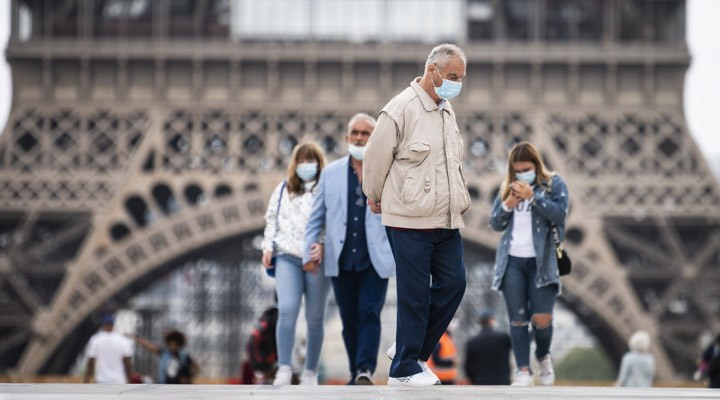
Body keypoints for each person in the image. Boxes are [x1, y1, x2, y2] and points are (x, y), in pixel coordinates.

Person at [363, 43, 470, 386]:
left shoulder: (446, 110)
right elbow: (376, 157)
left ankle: (410, 349)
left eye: (461, 78)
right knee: (415, 292)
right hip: (409, 217)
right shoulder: (400, 108)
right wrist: (375, 195)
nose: (457, 84)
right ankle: (404, 369)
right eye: (452, 76)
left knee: (455, 284)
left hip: (446, 218)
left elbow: (453, 163)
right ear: (432, 70)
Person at [304, 113, 396, 385]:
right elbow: (316, 217)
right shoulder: (330, 174)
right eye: (354, 133)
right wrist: (309, 249)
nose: (359, 138)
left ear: (374, 138)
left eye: (365, 133)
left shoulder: (388, 171)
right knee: (349, 319)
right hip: (340, 257)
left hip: (374, 257)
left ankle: (365, 368)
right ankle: (357, 371)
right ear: (347, 137)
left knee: (370, 311)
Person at [489, 141, 569, 386]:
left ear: (536, 165)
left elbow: (559, 213)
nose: (523, 172)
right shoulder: (507, 188)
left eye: (527, 168)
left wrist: (532, 197)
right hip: (512, 260)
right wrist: (508, 205)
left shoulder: (553, 184)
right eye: (518, 169)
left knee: (542, 319)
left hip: (542, 262)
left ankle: (543, 356)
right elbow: (495, 223)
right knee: (518, 319)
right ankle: (523, 370)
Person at [261, 142, 331, 385]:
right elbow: (271, 219)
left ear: (319, 163)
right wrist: (268, 246)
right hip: (287, 255)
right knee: (287, 309)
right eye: (301, 160)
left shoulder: (328, 188)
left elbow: (335, 221)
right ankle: (284, 368)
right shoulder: (283, 189)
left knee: (315, 316)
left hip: (316, 259)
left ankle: (310, 371)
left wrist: (323, 246)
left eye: (310, 160)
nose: (306, 165)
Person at [132, 330, 199, 384]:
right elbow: (150, 346)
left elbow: (196, 368)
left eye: (175, 344)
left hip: (179, 386)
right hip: (165, 383)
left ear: (179, 345)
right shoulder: (164, 354)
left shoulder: (185, 357)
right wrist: (137, 339)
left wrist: (189, 377)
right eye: (171, 344)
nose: (172, 347)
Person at [464, 311, 512, 385]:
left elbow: (468, 366)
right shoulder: (503, 338)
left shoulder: (472, 342)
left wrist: (474, 380)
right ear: (491, 320)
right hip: (502, 381)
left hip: (481, 381)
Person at [84, 314, 134, 384]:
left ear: (103, 325)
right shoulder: (123, 340)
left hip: (101, 380)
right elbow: (127, 363)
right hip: (119, 381)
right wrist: (130, 381)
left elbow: (91, 362)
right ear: (113, 325)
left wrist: (86, 379)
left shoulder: (95, 339)